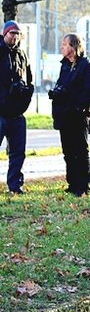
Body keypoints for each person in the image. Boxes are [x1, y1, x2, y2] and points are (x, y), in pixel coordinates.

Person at [49, 33, 90, 197]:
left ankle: (83, 185)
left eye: (65, 44)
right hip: (65, 115)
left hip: (78, 115)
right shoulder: (64, 66)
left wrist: (79, 107)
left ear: (74, 47)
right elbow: (63, 86)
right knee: (68, 151)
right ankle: (72, 183)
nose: (62, 47)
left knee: (80, 150)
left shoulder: (86, 66)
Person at [0, 21, 33, 194]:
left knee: (18, 153)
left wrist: (26, 93)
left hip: (18, 114)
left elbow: (29, 79)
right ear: (5, 33)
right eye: (12, 33)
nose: (15, 36)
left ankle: (15, 185)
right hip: (1, 113)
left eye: (17, 34)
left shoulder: (22, 55)